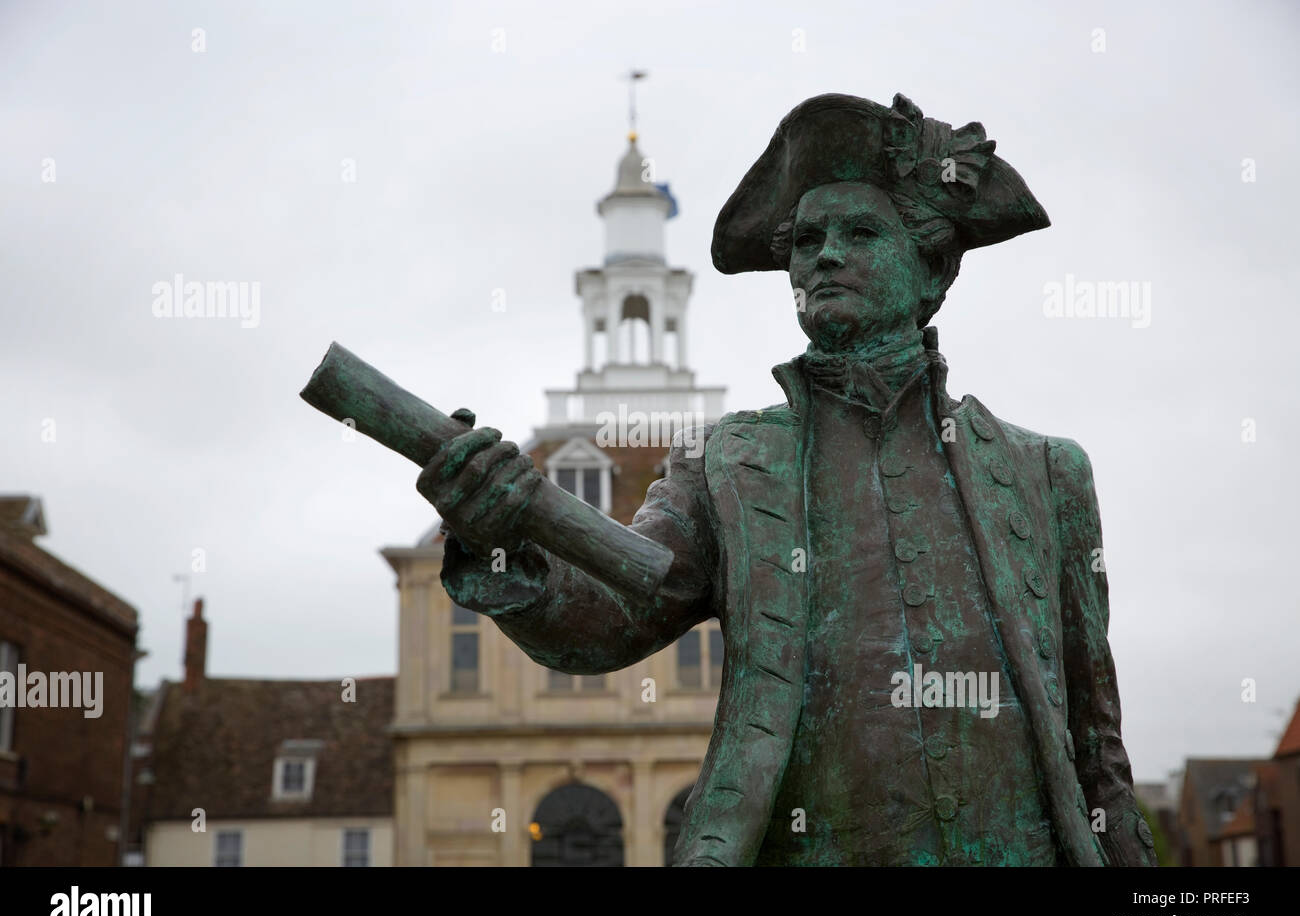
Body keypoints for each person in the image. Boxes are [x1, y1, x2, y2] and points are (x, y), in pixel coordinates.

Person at [417, 93, 1156, 866]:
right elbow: (607, 621)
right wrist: (499, 546)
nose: (824, 255)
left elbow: (1097, 743)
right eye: (808, 240)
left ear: (932, 267)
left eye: (859, 232)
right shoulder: (723, 466)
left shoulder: (1046, 474)